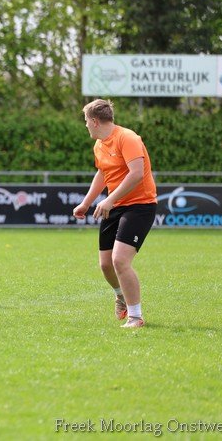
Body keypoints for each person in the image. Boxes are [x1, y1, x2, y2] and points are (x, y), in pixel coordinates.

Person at [72, 99, 157, 329]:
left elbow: (136, 173)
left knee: (120, 260)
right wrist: (86, 203)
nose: (85, 125)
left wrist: (109, 200)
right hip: (115, 206)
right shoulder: (99, 145)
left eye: (86, 121)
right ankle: (120, 295)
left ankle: (136, 317)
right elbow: (102, 173)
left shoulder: (127, 138)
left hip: (140, 205)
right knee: (106, 265)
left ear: (94, 121)